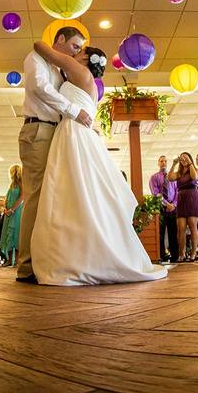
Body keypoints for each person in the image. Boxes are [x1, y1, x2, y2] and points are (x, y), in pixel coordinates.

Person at [27, 40, 167, 284]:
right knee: (84, 192)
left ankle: (74, 255)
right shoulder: (90, 83)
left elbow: (39, 45)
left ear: (85, 59)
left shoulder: (75, 68)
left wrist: (64, 51)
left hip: (71, 133)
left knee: (69, 192)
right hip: (83, 135)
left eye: (79, 50)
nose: (75, 52)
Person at [16, 27, 92, 284]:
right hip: (37, 130)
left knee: (51, 198)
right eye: (74, 46)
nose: (77, 52)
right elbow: (39, 88)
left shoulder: (62, 71)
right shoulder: (35, 58)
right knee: (35, 198)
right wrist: (73, 110)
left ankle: (44, 260)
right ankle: (26, 267)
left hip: (53, 134)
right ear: (59, 39)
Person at [170, 152, 198, 262]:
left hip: (193, 197)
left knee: (192, 224)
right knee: (181, 228)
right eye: (181, 158)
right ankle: (182, 254)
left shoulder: (195, 169)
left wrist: (190, 163)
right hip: (181, 198)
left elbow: (194, 177)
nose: (183, 160)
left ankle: (193, 253)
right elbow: (170, 178)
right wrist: (174, 164)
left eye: (185, 157)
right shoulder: (179, 173)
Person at [149, 155, 178, 263]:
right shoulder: (154, 177)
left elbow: (177, 192)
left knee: (173, 233)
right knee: (160, 233)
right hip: (161, 208)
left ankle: (175, 256)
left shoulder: (173, 177)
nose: (163, 163)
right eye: (161, 161)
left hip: (173, 208)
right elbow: (155, 194)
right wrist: (166, 204)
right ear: (158, 163)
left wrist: (174, 204)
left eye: (165, 161)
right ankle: (161, 255)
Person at [0, 164, 24, 267]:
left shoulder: (21, 183)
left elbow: (22, 197)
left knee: (16, 235)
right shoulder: (11, 185)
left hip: (16, 212)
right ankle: (9, 260)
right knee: (7, 236)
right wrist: (5, 208)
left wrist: (12, 210)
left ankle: (17, 261)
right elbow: (7, 197)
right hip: (8, 213)